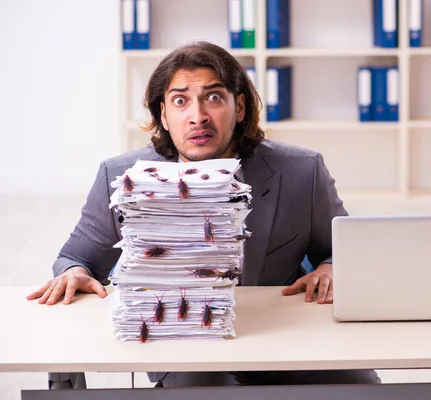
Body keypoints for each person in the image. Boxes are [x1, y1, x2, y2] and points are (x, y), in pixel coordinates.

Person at [27, 41, 380, 388]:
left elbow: (344, 250)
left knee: (359, 383)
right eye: (180, 101)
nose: (198, 116)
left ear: (239, 107)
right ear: (163, 115)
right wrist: (73, 272)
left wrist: (330, 267)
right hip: (184, 345)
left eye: (213, 97)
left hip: (284, 337)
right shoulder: (122, 177)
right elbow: (76, 258)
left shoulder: (302, 170)